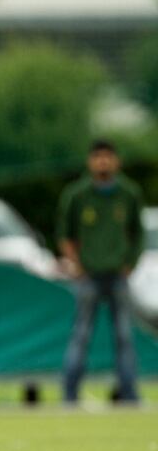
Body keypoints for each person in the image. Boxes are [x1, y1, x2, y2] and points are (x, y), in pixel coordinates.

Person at [57, 139, 144, 404]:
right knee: (81, 336)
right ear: (90, 161)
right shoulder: (78, 195)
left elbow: (137, 234)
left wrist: (131, 262)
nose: (103, 162)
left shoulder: (129, 194)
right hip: (89, 278)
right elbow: (64, 235)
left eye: (108, 157)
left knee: (124, 337)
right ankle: (70, 396)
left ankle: (130, 395)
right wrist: (77, 265)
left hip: (118, 276)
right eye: (98, 157)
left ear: (116, 161)